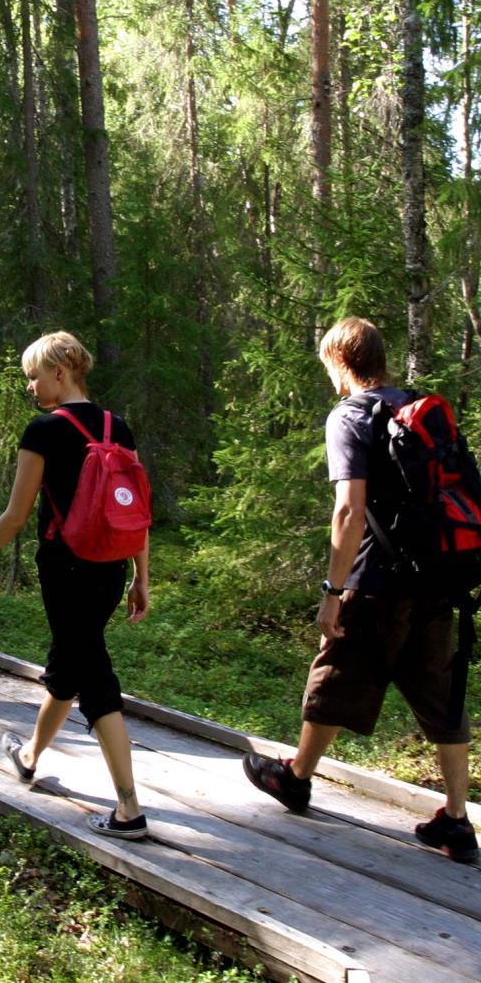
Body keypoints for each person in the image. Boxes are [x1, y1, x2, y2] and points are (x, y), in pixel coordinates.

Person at [243, 317, 478, 864]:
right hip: (436, 577)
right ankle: (458, 820)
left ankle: (295, 779)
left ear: (340, 362)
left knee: (337, 670)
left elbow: (349, 510)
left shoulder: (351, 415)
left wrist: (333, 588)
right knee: (441, 694)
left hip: (376, 579)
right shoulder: (415, 409)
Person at [0, 331, 151, 839]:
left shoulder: (43, 430)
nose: (32, 386)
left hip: (65, 568)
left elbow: (17, 516)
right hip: (108, 567)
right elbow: (132, 510)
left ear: (60, 371)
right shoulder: (117, 425)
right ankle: (31, 755)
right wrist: (140, 575)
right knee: (70, 662)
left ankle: (129, 810)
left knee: (93, 674)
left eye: (35, 375)